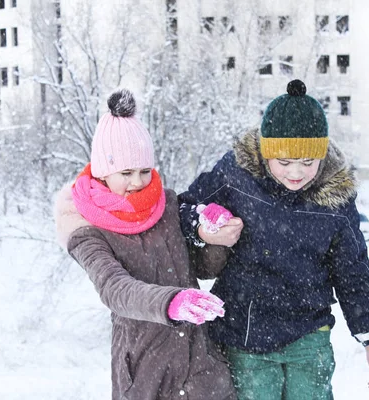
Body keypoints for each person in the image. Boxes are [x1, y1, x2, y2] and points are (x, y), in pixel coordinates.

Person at [178, 80, 369, 399]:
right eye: (284, 162)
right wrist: (203, 227)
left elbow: (354, 271)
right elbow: (183, 207)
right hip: (245, 334)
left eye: (308, 162)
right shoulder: (237, 175)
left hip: (310, 336)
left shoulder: (336, 197)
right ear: (266, 154)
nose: (296, 173)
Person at [53, 89, 237, 400]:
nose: (137, 182)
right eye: (126, 172)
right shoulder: (85, 229)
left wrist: (214, 238)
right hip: (146, 370)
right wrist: (171, 302)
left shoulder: (165, 206)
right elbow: (115, 289)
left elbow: (203, 268)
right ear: (102, 171)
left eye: (143, 171)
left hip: (200, 366)